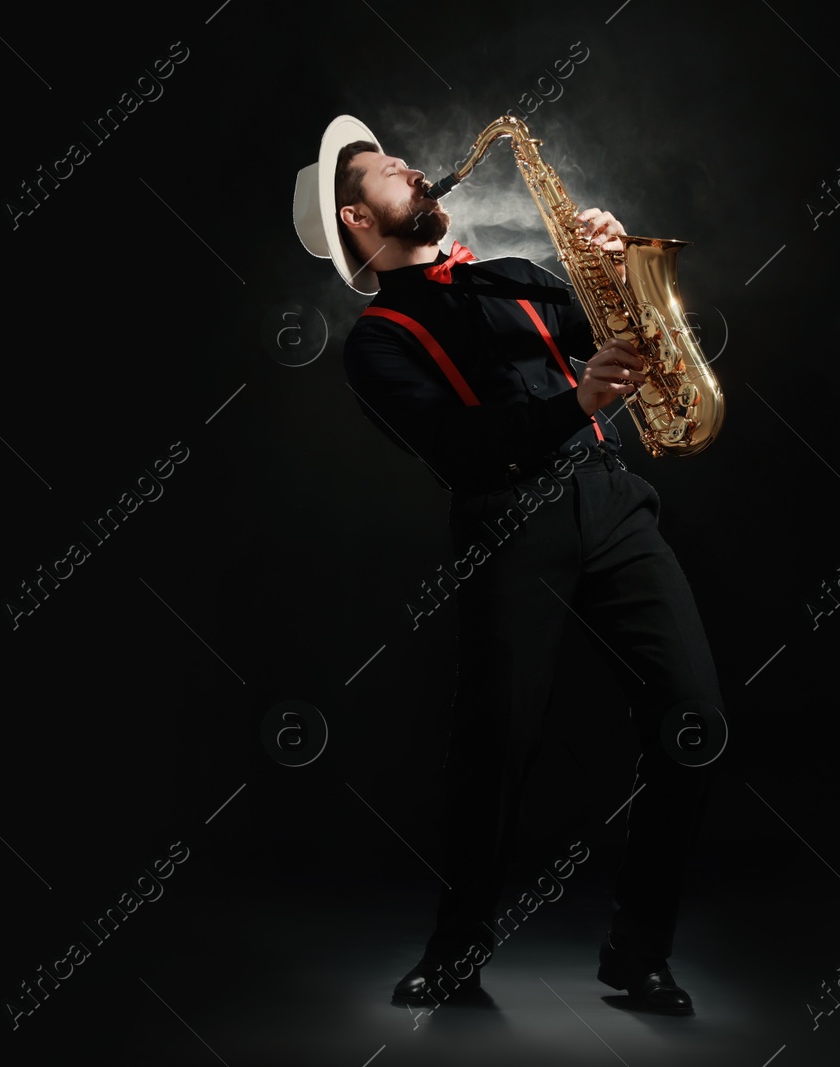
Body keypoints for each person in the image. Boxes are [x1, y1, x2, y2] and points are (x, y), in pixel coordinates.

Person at [292, 115, 725, 1015]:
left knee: (694, 719)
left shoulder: (521, 277)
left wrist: (614, 271)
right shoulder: (376, 342)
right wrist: (577, 400)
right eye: (383, 171)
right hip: (508, 523)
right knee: (495, 749)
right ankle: (455, 956)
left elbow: (634, 345)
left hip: (610, 503)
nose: (411, 167)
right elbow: (458, 446)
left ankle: (637, 956)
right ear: (357, 221)